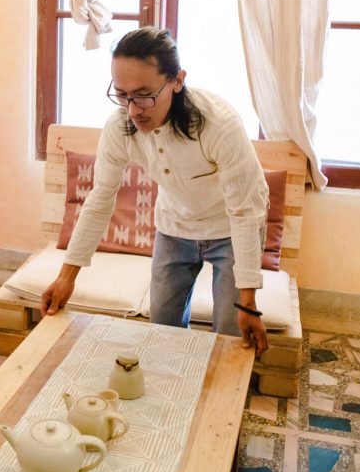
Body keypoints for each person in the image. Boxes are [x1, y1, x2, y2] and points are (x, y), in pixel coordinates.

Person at [40, 27, 270, 354]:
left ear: (177, 81)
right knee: (162, 328)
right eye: (122, 94)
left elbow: (244, 212)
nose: (134, 109)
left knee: (230, 335)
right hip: (175, 226)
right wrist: (67, 276)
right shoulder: (120, 127)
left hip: (230, 227)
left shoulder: (218, 124)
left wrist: (248, 304)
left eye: (144, 94)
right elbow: (99, 200)